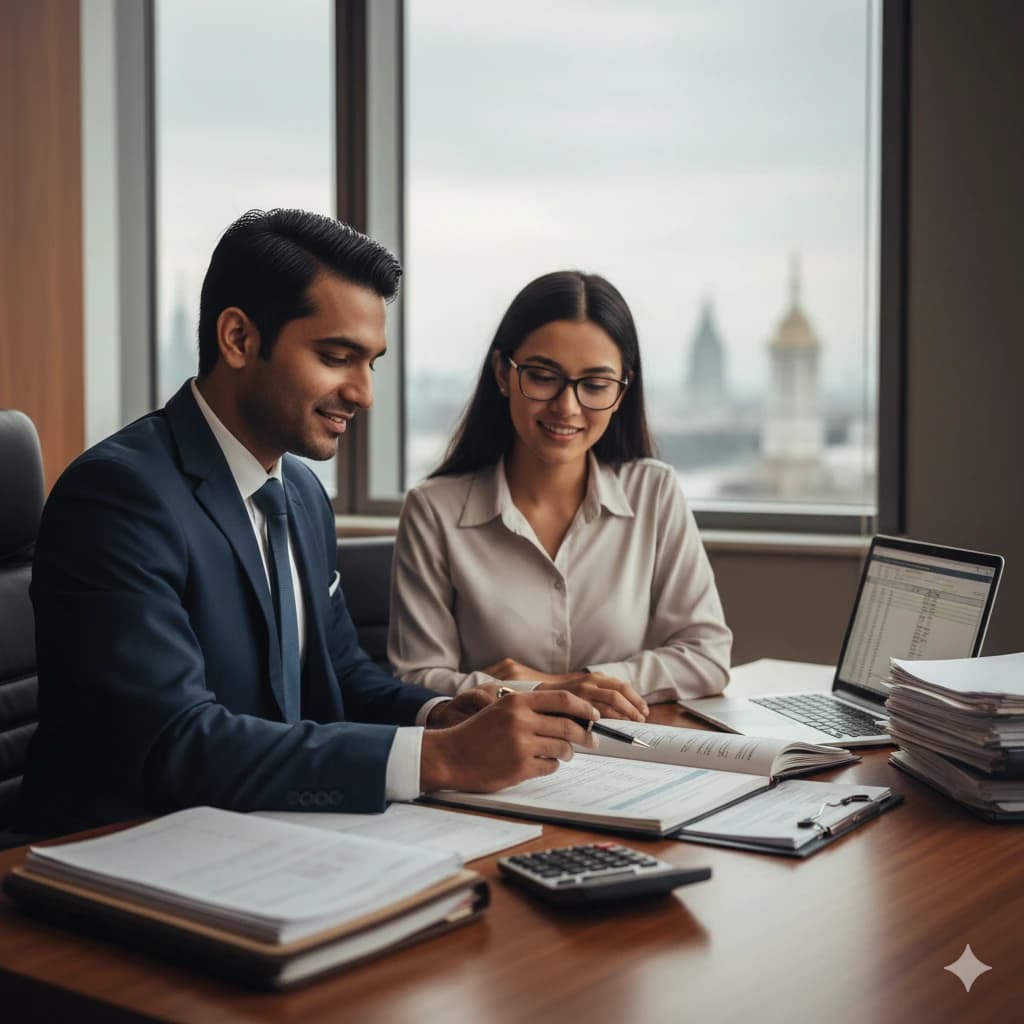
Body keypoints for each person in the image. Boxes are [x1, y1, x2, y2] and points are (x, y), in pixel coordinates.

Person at [16, 210, 600, 837]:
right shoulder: (119, 496)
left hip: (263, 833)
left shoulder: (298, 493)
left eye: (371, 362)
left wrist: (441, 716)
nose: (363, 393)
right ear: (238, 338)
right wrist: (443, 758)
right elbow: (173, 740)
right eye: (336, 356)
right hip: (118, 851)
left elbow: (339, 675)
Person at [388, 271, 732, 717]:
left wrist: (572, 684)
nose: (566, 407)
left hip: (633, 757)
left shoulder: (654, 492)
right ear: (502, 373)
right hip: (490, 760)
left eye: (594, 385)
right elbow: (417, 677)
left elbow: (706, 656)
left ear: (621, 390)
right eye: (543, 376)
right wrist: (564, 690)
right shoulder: (434, 510)